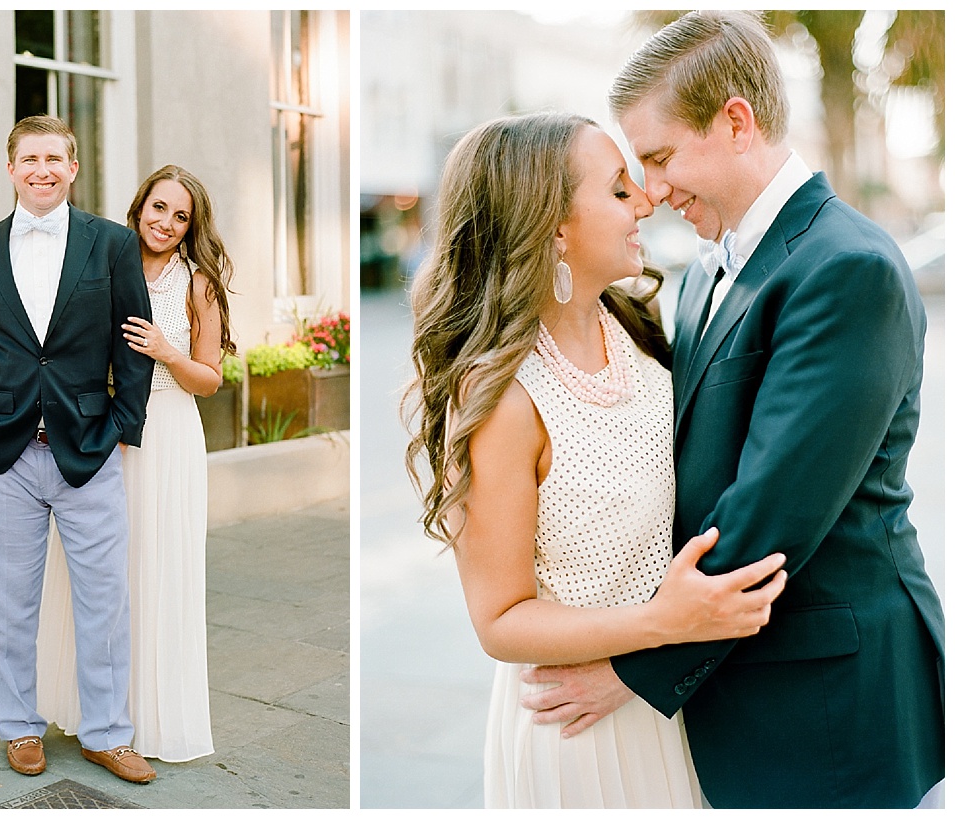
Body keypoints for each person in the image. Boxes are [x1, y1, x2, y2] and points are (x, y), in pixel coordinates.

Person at [520, 11, 944, 809]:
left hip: (827, 699)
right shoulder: (703, 272)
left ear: (736, 123)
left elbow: (770, 514)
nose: (650, 190)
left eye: (659, 156)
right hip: (740, 689)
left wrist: (630, 666)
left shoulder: (845, 268)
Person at [402, 110, 789, 809]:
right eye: (618, 190)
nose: (646, 200)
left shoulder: (639, 328)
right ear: (553, 224)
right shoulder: (502, 398)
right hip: (576, 727)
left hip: (667, 706)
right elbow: (500, 619)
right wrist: (663, 626)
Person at [0, 165, 234, 763]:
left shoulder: (179, 274)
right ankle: (30, 723)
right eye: (159, 208)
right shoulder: (77, 247)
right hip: (41, 440)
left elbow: (195, 373)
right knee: (24, 594)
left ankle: (118, 728)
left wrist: (132, 412)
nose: (167, 222)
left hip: (131, 438)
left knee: (122, 592)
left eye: (181, 216)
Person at [0, 115, 157, 783]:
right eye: (29, 157)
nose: (42, 169)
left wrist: (123, 422)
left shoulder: (112, 244)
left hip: (87, 448)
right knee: (8, 602)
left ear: (73, 168)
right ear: (10, 169)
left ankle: (107, 733)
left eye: (55, 158)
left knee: (105, 601)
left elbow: (135, 339)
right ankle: (19, 727)